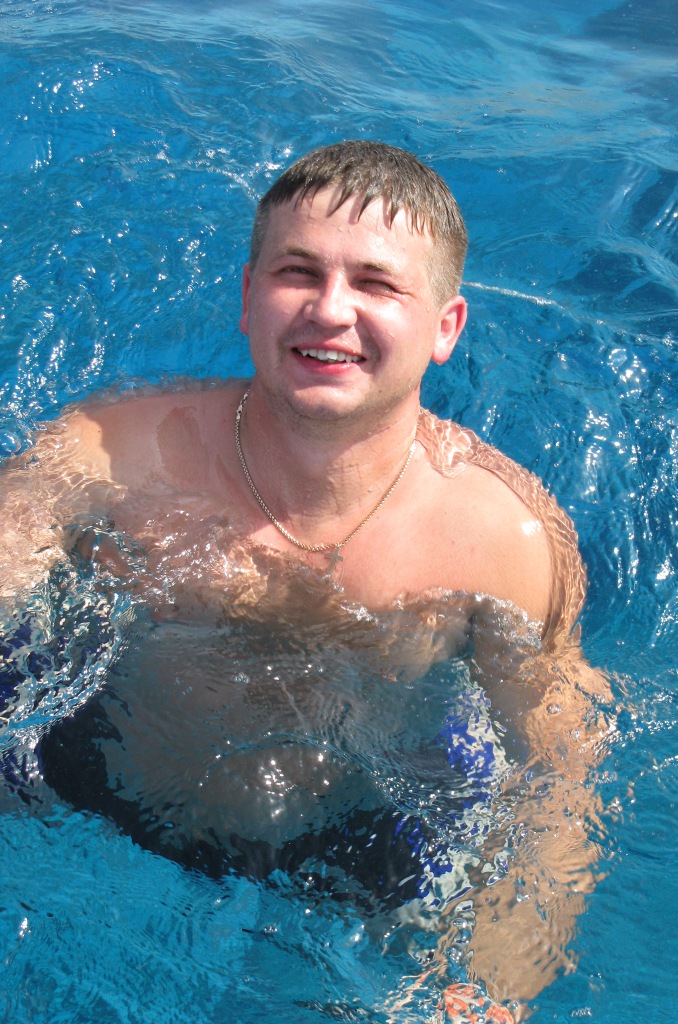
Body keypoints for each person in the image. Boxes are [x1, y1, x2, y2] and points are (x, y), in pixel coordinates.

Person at [0, 141, 611, 1021]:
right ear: (249, 297)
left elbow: (561, 778)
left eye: (377, 284)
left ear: (446, 328)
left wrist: (497, 983)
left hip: (361, 852)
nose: (330, 310)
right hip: (91, 785)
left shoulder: (504, 541)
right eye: (298, 272)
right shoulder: (109, 455)